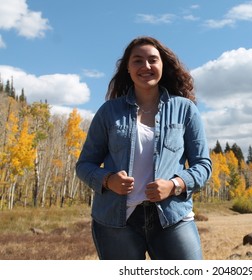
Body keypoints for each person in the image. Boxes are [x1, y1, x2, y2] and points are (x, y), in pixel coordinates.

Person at [76, 36, 212, 260]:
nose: (146, 66)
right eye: (137, 61)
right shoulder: (108, 112)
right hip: (115, 222)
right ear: (127, 69)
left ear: (162, 66)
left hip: (172, 218)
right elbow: (84, 165)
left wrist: (174, 185)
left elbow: (203, 166)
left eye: (153, 60)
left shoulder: (185, 110)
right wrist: (108, 179)